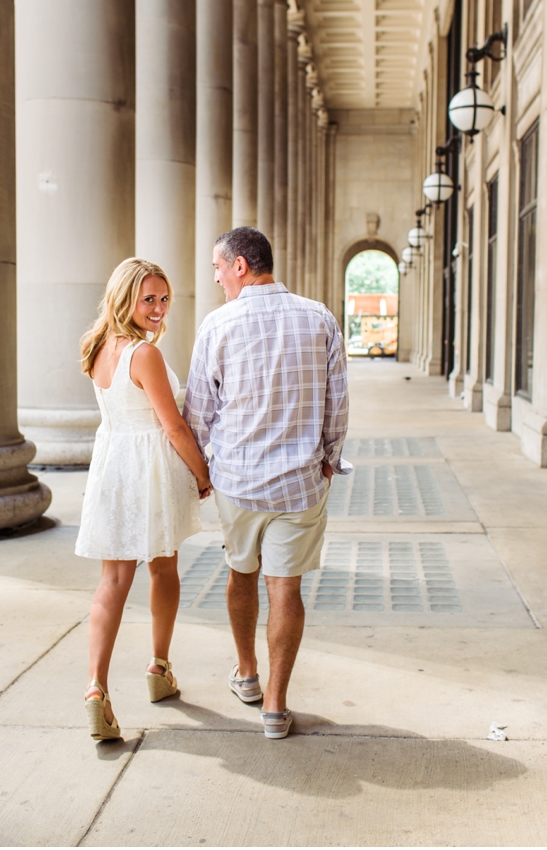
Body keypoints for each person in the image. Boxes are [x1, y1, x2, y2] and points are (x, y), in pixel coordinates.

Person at [184, 226, 351, 740]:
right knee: (287, 588)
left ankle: (248, 675)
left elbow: (198, 412)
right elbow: (338, 403)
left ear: (240, 265)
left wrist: (203, 470)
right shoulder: (319, 316)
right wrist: (329, 458)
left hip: (237, 482)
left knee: (241, 574)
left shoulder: (218, 325)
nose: (216, 277)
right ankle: (276, 707)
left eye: (218, 267)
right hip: (300, 483)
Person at [75, 258, 212, 742]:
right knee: (163, 569)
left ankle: (97, 689)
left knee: (111, 581)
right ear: (125, 298)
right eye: (147, 298)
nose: (158, 308)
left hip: (113, 466)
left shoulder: (97, 348)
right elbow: (172, 425)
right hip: (150, 470)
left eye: (163, 298)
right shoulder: (143, 355)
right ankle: (159, 668)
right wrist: (202, 472)